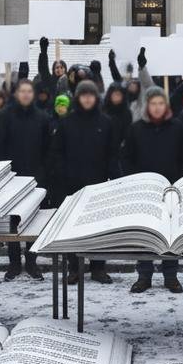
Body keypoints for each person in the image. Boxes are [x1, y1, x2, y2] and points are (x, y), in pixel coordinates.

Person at [46, 80, 117, 284]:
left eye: (91, 94)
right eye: (83, 94)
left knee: (98, 228)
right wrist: (63, 174)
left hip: (98, 185)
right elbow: (56, 152)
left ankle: (98, 268)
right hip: (72, 185)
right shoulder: (67, 122)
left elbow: (112, 154)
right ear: (78, 97)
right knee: (73, 229)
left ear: (96, 98)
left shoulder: (106, 123)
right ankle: (75, 268)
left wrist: (114, 179)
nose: (87, 98)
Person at [121, 86, 183, 293]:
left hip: (170, 190)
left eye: (161, 103)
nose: (157, 108)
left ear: (165, 105)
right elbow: (126, 158)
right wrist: (137, 180)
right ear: (147, 106)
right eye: (153, 104)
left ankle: (171, 276)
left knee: (170, 234)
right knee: (145, 233)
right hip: (145, 190)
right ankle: (144, 275)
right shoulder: (136, 128)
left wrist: (178, 183)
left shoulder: (177, 127)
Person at [0, 79, 51, 281]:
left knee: (33, 220)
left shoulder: (42, 117)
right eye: (22, 91)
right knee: (12, 221)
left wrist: (44, 174)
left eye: (29, 91)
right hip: (12, 177)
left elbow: (47, 148)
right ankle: (14, 263)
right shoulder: (5, 116)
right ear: (16, 94)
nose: (26, 95)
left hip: (36, 175)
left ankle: (32, 261)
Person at [102, 82, 133, 177]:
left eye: (118, 95)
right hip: (104, 152)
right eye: (114, 94)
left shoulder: (126, 113)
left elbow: (128, 133)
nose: (116, 97)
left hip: (120, 153)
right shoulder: (103, 111)